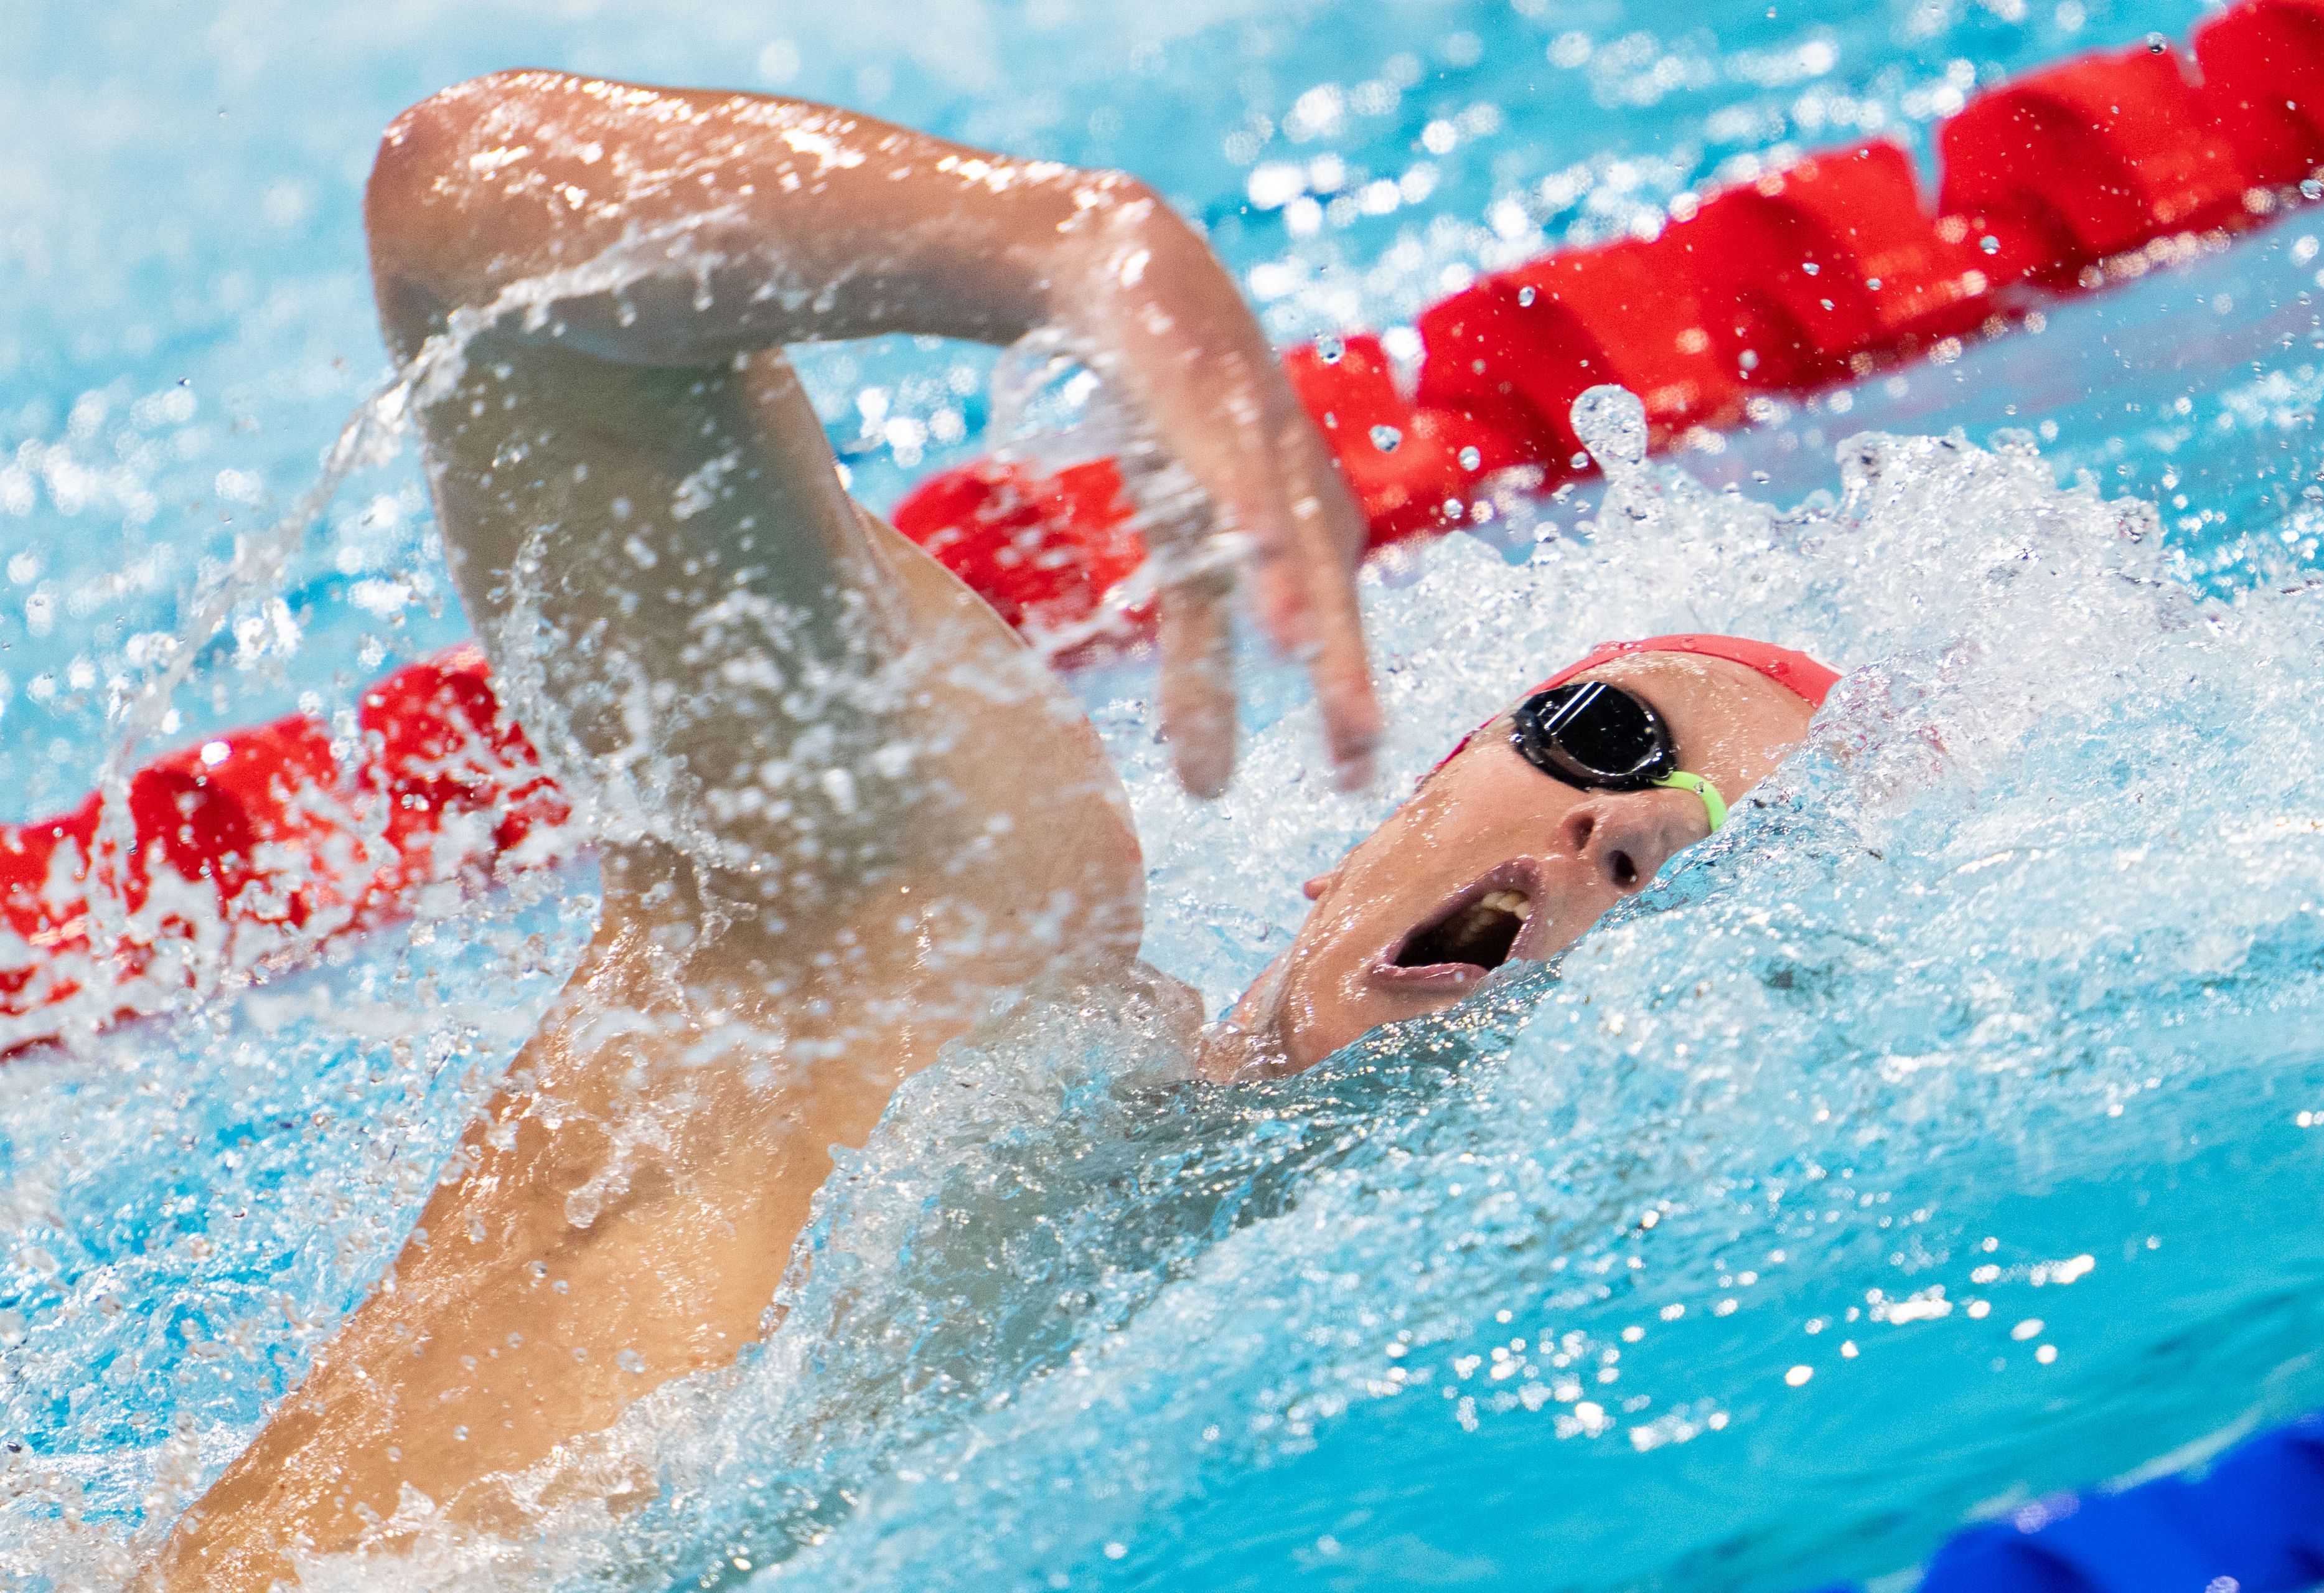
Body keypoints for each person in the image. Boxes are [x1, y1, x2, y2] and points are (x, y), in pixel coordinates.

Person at [151, 71, 1833, 1588]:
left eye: (1671, 884)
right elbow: (473, 221)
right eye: (1608, 747)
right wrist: (1070, 240)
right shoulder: (950, 932)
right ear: (1413, 790)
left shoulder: (1363, 1411)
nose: (1589, 859)